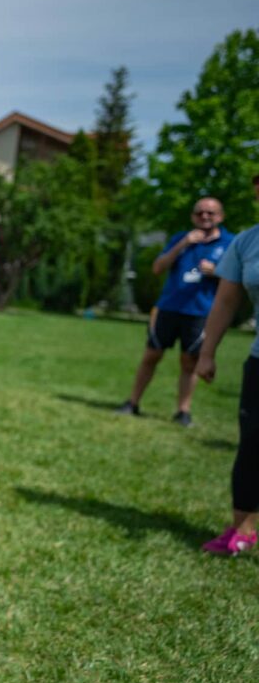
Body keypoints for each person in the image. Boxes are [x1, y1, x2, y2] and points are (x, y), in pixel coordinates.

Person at [117, 198, 234, 427]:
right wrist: (183, 244)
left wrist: (217, 271)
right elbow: (158, 268)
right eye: (199, 213)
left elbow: (237, 279)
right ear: (193, 217)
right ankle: (132, 403)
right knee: (151, 355)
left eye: (210, 213)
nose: (204, 216)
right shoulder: (180, 238)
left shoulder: (230, 243)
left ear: (220, 216)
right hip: (169, 308)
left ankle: (183, 411)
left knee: (189, 361)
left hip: (200, 312)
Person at [195, 173, 259, 557]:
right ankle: (242, 528)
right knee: (252, 443)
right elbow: (225, 302)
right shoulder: (247, 242)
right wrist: (207, 351)